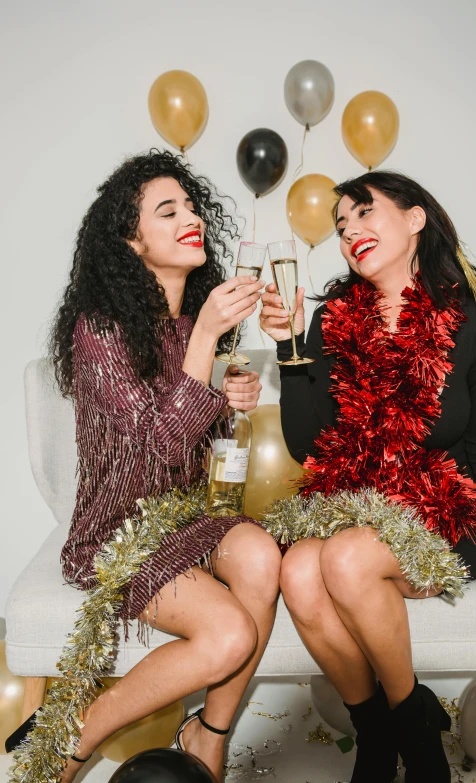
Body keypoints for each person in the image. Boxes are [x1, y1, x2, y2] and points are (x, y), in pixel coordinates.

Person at [14, 150, 282, 783]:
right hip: (121, 536)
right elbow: (155, 452)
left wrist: (228, 405)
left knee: (261, 555)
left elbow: (193, 452)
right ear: (133, 241)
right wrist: (204, 347)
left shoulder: (196, 324)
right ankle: (84, 728)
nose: (190, 217)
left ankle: (208, 735)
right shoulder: (99, 331)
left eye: (191, 207)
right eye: (168, 211)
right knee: (227, 637)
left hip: (189, 516)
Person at [260, 171, 476, 783]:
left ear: (414, 219)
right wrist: (292, 345)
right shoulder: (330, 321)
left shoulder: (475, 324)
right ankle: (383, 730)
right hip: (360, 506)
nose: (350, 232)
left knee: (347, 559)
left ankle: (414, 736)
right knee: (299, 566)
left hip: (447, 510)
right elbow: (309, 445)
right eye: (341, 227)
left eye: (364, 214)